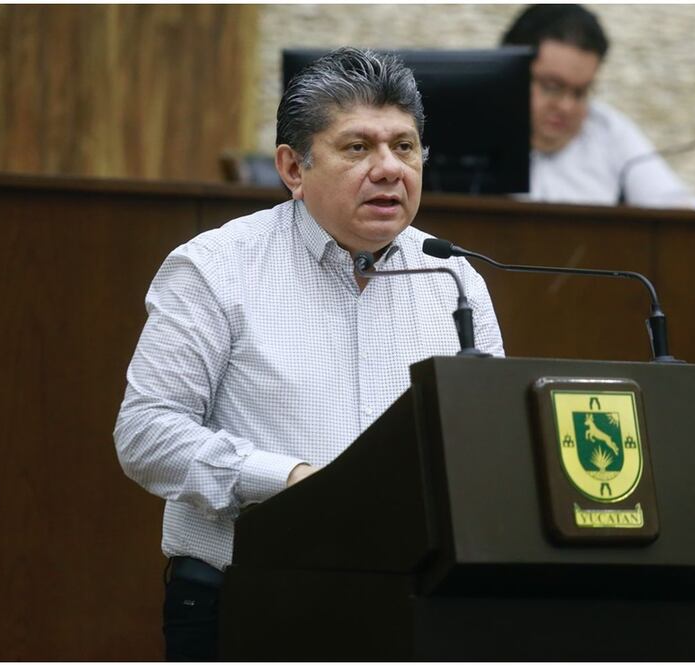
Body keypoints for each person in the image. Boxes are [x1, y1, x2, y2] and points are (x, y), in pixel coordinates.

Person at [113, 47, 505, 661]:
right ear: (294, 168)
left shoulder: (454, 278)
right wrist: (293, 481)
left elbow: (488, 445)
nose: (388, 169)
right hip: (248, 604)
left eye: (404, 147)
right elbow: (145, 434)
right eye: (357, 148)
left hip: (412, 611)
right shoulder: (215, 268)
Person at [502, 4, 695, 208]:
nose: (566, 106)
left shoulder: (609, 131)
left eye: (580, 93)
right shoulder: (471, 128)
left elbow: (680, 212)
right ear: (508, 72)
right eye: (552, 87)